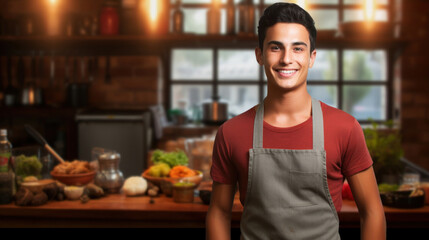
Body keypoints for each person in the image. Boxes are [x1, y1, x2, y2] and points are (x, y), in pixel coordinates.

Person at [206, 2, 386, 240]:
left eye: (298, 49)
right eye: (275, 48)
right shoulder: (231, 133)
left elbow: (373, 212)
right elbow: (219, 212)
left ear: (312, 57)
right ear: (259, 55)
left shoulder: (345, 128)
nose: (286, 59)